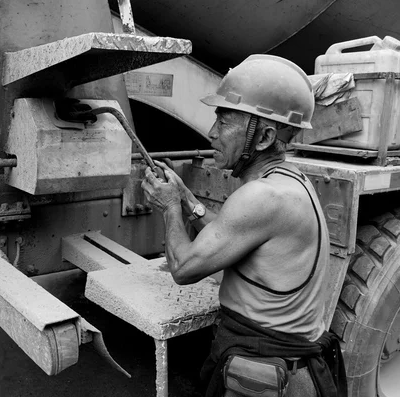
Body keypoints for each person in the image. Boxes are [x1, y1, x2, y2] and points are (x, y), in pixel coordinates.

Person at [141, 55, 346, 397]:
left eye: (224, 122)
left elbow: (184, 267)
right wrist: (185, 195)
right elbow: (232, 235)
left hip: (265, 377)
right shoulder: (288, 182)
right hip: (281, 368)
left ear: (264, 137)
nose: (211, 133)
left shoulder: (262, 197)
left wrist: (169, 208)